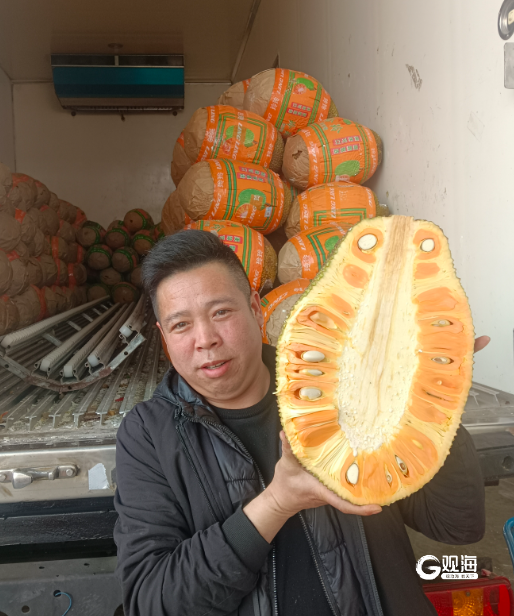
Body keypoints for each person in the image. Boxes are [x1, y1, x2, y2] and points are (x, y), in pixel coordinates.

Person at [114, 230, 487, 616]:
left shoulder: (343, 385)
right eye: (181, 325)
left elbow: (457, 524)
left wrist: (430, 400)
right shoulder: (148, 436)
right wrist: (278, 503)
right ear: (163, 336)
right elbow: (151, 601)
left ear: (256, 309)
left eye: (221, 312)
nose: (205, 339)